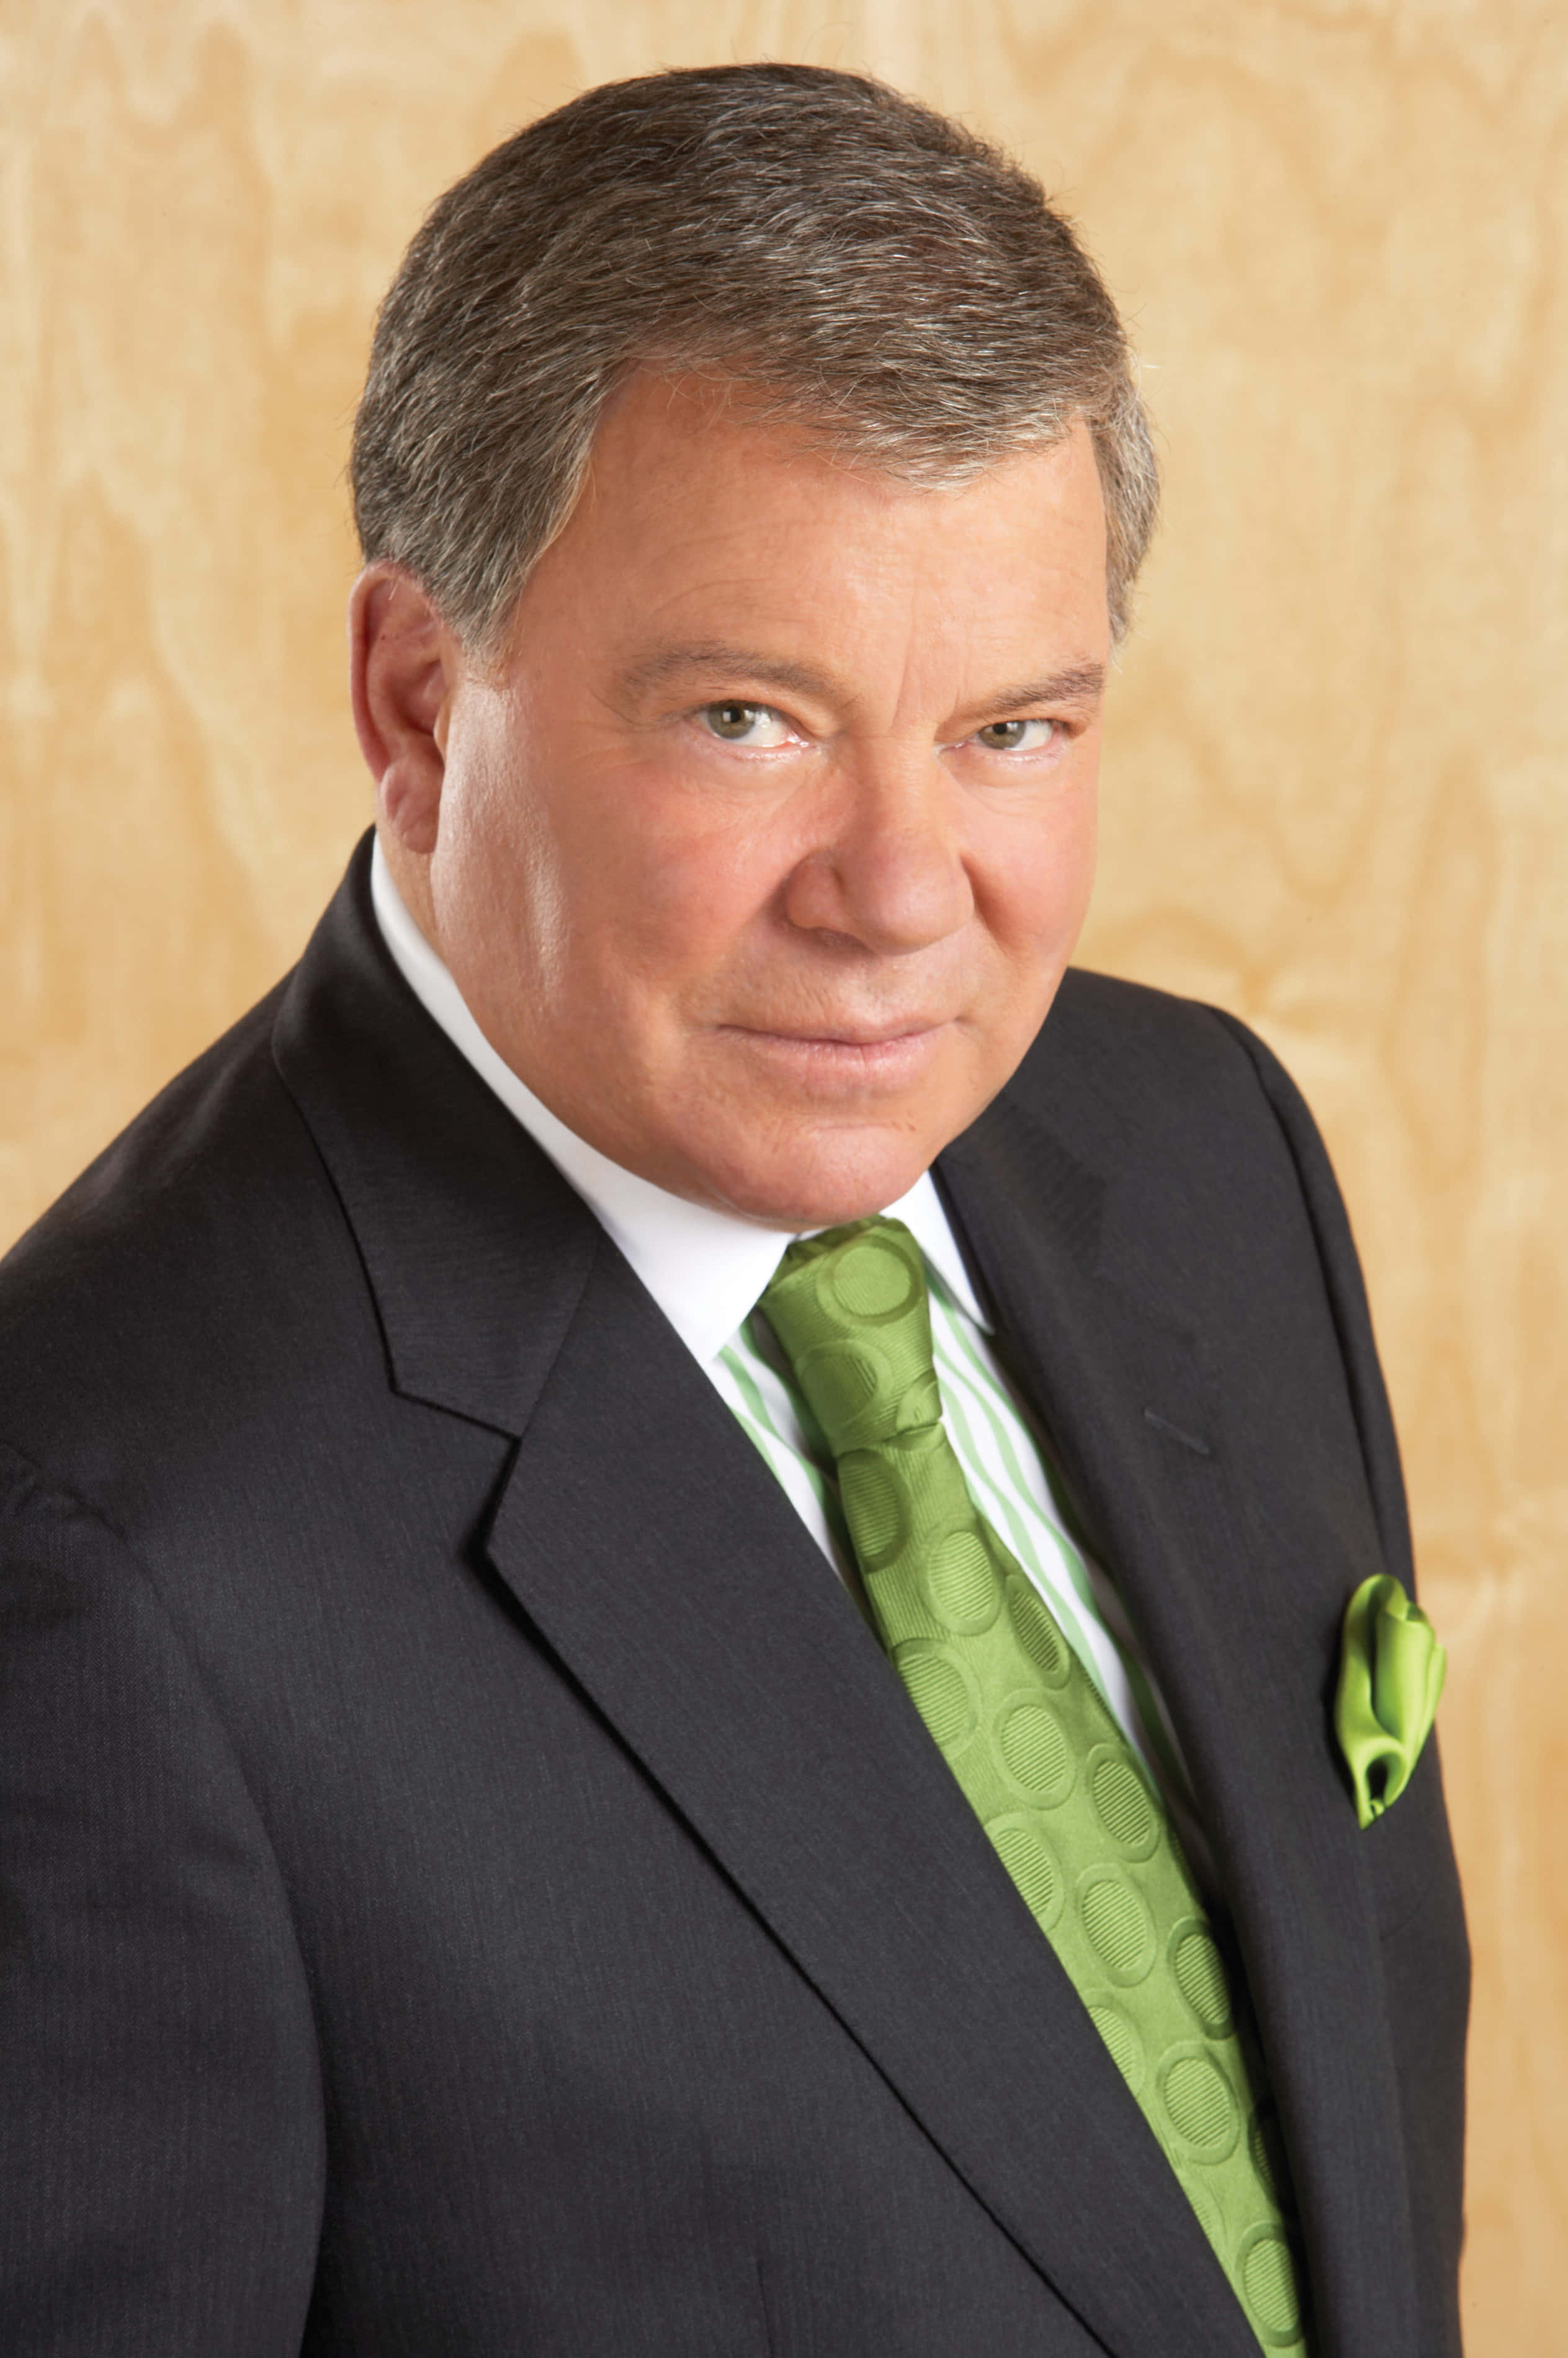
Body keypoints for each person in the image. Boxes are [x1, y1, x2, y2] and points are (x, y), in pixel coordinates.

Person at [0, 61, 1466, 2358]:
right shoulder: (102, 1551)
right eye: (749, 721)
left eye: (1013, 731)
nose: (901, 896)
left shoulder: (1205, 1148)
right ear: (418, 701)